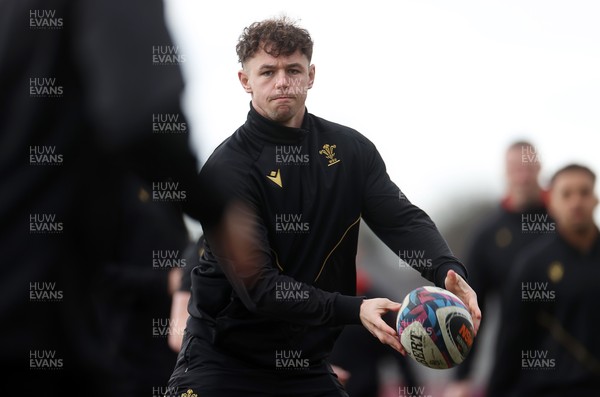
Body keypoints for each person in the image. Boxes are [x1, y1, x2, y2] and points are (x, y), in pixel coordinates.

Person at [167, 16, 481, 396]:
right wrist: (356, 309)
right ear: (244, 81)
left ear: (311, 75)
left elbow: (401, 219)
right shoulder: (228, 170)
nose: (282, 82)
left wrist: (446, 269)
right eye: (267, 71)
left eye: (293, 70)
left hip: (306, 365)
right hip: (222, 366)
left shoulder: (349, 150)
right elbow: (261, 289)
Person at [0, 0, 203, 394]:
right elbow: (102, 273)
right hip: (105, 355)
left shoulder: (150, 193)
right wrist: (168, 279)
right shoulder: (87, 181)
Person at [445, 140, 552, 397]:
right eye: (516, 168)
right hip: (513, 360)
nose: (523, 177)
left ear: (540, 169)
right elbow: (473, 307)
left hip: (571, 362)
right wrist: (462, 376)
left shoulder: (565, 224)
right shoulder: (488, 234)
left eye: (529, 168)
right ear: (505, 173)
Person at [487, 164, 600, 396]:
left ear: (595, 199)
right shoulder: (533, 265)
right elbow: (512, 339)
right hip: (553, 388)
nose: (576, 202)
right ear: (552, 203)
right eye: (566, 194)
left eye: (584, 192)